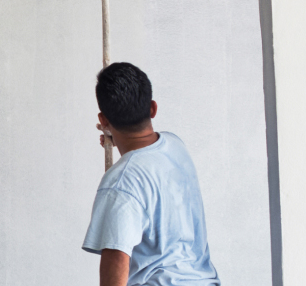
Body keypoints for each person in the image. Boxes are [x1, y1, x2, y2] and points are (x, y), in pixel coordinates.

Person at [83, 63, 220, 286]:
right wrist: (114, 138)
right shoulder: (175, 146)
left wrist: (113, 135)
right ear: (153, 108)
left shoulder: (121, 182)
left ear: (104, 119)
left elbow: (117, 259)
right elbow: (144, 153)